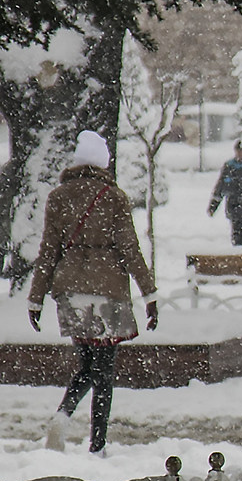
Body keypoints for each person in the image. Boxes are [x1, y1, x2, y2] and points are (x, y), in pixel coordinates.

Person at [28, 132, 157, 455]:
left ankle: (64, 413)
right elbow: (129, 248)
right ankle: (97, 442)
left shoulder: (58, 197)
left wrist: (36, 297)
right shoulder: (113, 197)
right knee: (105, 369)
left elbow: (47, 251)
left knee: (86, 363)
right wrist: (149, 294)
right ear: (102, 163)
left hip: (70, 289)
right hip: (108, 290)